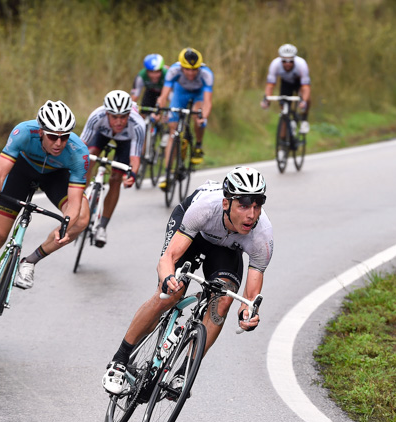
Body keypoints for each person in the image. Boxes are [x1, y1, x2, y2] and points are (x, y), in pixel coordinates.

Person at [102, 167, 273, 395]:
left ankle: (183, 373)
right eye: (243, 205)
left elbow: (249, 297)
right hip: (193, 234)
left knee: (222, 302)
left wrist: (247, 314)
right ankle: (120, 360)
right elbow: (168, 258)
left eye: (257, 205)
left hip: (226, 249)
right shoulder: (204, 209)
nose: (251, 215)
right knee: (169, 295)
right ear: (226, 204)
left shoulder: (262, 236)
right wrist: (167, 278)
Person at [0, 100, 90, 331]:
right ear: (40, 131)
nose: (59, 143)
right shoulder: (23, 133)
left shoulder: (79, 152)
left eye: (64, 136)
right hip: (21, 172)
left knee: (82, 219)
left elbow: (74, 204)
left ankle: (29, 262)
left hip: (55, 177)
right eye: (52, 136)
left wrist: (67, 225)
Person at [80, 89, 145, 247]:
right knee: (89, 154)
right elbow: (81, 146)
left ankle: (102, 226)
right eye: (114, 117)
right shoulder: (97, 116)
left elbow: (135, 158)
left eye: (123, 117)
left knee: (116, 179)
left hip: (127, 142)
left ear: (129, 114)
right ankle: (81, 195)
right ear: (106, 113)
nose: (119, 122)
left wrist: (132, 175)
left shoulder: (138, 125)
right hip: (101, 134)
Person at [156, 47, 213, 188]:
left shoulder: (206, 74)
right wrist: (160, 110)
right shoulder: (173, 71)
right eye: (187, 69)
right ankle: (168, 173)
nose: (191, 73)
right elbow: (163, 96)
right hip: (180, 94)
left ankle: (198, 145)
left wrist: (203, 117)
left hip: (198, 94)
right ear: (181, 66)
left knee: (198, 114)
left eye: (194, 69)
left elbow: (207, 102)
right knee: (172, 132)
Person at [261, 43, 312, 136]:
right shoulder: (275, 64)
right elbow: (270, 85)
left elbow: (306, 87)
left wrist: (304, 101)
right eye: (284, 61)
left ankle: (304, 120)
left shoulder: (302, 65)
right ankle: (283, 143)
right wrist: (267, 100)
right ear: (281, 60)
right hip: (286, 84)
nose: (287, 63)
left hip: (299, 83)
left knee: (306, 98)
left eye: (290, 61)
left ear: (294, 60)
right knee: (283, 110)